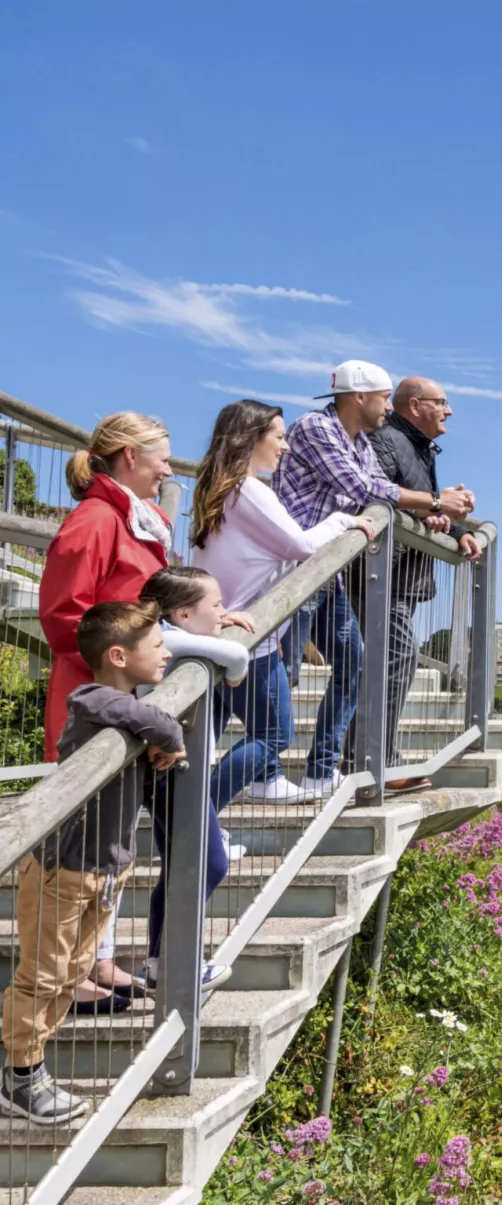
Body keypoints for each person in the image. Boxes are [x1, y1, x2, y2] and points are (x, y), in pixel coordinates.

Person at [0, 601, 184, 1124]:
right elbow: (153, 721)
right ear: (119, 656)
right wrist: (168, 738)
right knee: (43, 976)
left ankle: (26, 1070)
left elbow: (150, 725)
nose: (167, 653)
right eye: (157, 645)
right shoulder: (92, 700)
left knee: (70, 974)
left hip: (102, 872)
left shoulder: (123, 707)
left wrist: (161, 746)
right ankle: (20, 1076)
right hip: (62, 869)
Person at [273, 362, 471, 793]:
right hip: (296, 571)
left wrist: (436, 513)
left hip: (329, 573)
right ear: (359, 397)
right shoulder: (316, 428)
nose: (388, 408)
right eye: (383, 398)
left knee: (353, 662)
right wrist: (437, 502)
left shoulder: (360, 442)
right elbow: (364, 490)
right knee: (284, 672)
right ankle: (265, 775)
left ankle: (323, 772)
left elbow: (382, 489)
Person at [37, 411, 171, 1005]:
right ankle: (71, 972)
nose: (169, 469)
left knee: (112, 837)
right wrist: (118, 663)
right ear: (130, 457)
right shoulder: (94, 521)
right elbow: (64, 617)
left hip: (124, 694)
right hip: (92, 698)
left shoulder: (134, 519)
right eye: (162, 457)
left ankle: (100, 958)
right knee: (85, 843)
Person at [190, 399, 377, 803]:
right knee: (274, 734)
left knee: (206, 737)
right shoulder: (248, 490)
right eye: (278, 436)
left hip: (227, 630)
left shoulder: (223, 488)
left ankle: (191, 820)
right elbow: (301, 545)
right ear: (250, 438)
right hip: (247, 636)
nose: (286, 446)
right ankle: (202, 815)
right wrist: (345, 520)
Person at [136, 567, 260, 991]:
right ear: (183, 615)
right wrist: (233, 663)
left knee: (179, 867)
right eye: (217, 604)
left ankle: (160, 963)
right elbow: (238, 657)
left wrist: (218, 623)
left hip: (176, 773)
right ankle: (179, 963)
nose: (224, 612)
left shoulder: (169, 634)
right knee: (211, 863)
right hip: (174, 775)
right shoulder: (166, 639)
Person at [369, 377, 481, 790]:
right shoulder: (387, 439)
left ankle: (368, 757)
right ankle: (376, 760)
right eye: (442, 402)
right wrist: (437, 504)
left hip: (400, 575)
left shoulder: (416, 446)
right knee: (398, 657)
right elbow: (376, 496)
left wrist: (456, 528)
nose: (449, 410)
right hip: (380, 572)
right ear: (415, 405)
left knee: (391, 660)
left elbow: (420, 506)